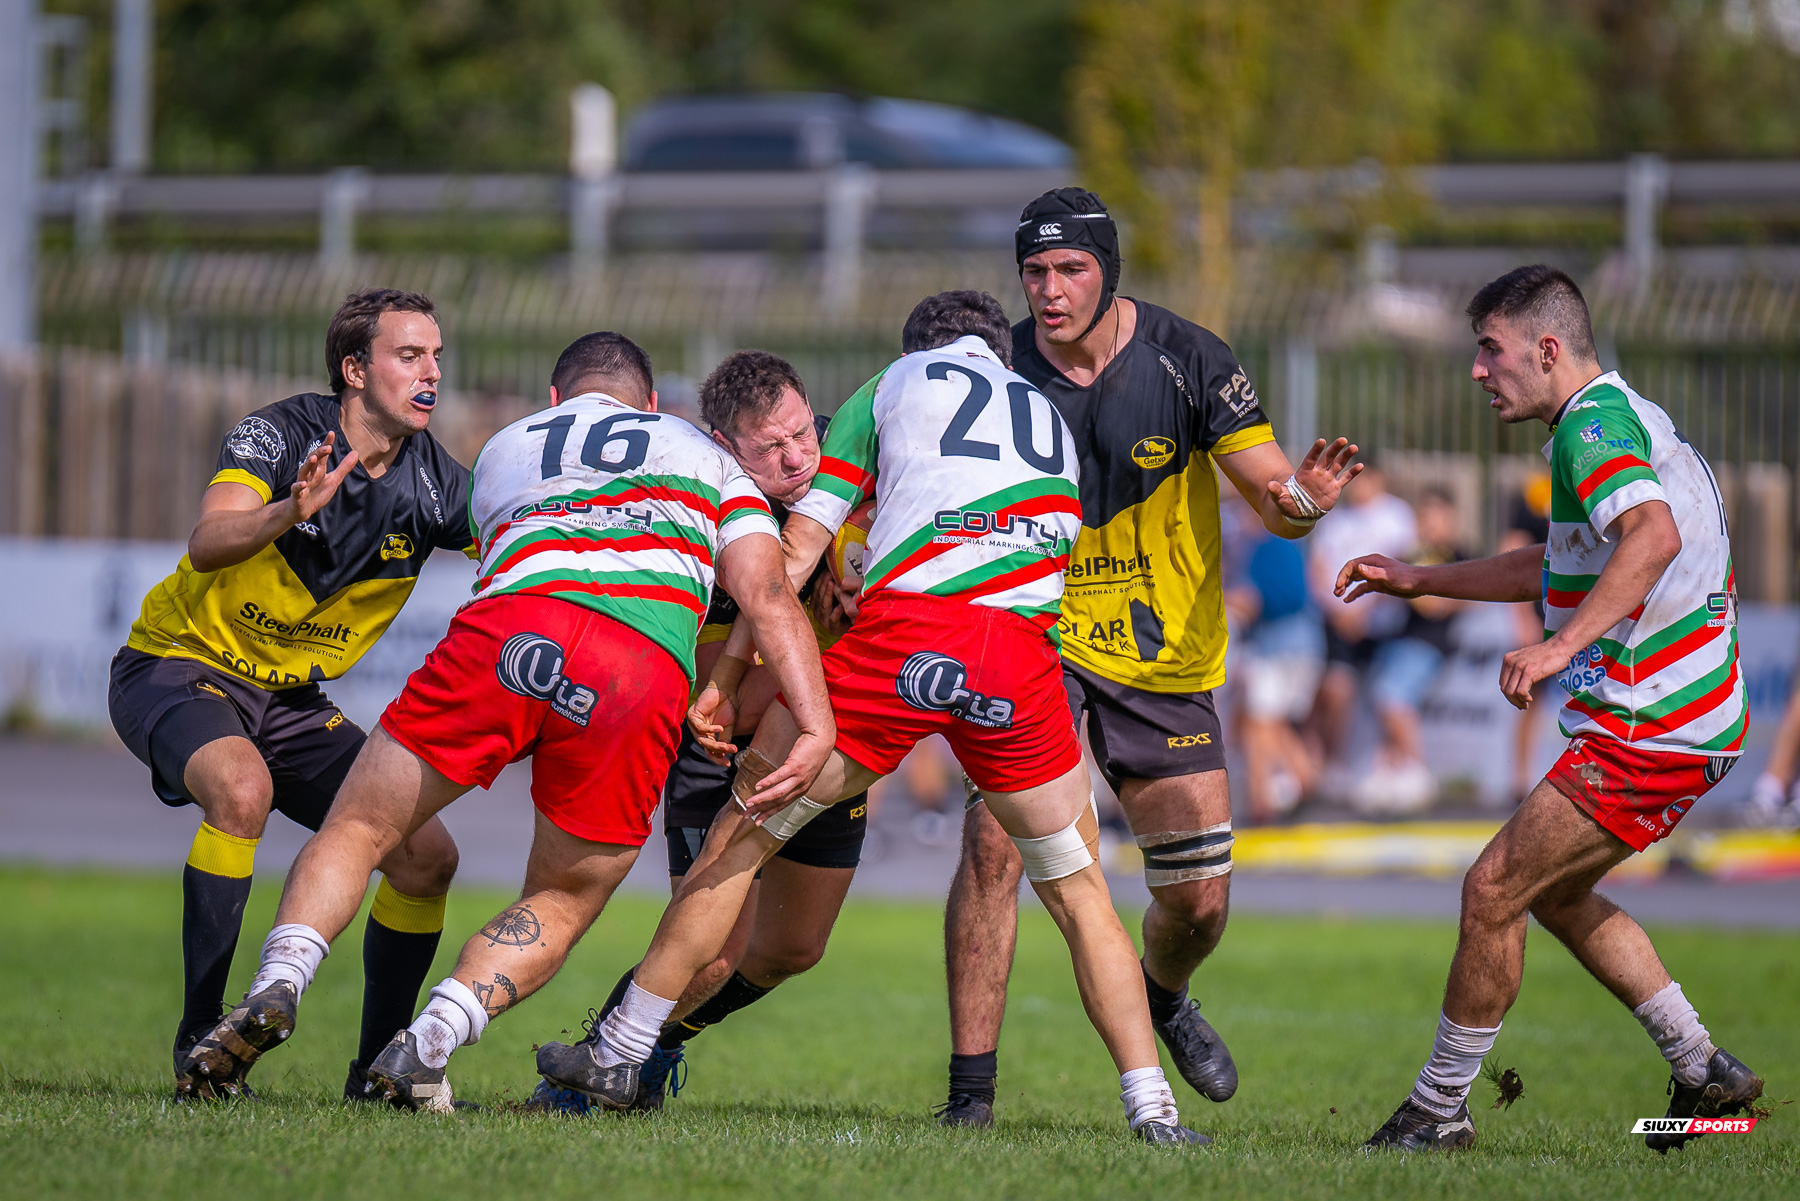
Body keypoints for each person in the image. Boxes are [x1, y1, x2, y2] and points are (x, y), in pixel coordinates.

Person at [536, 290, 1206, 1144]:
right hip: (1019, 654)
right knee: (1081, 892)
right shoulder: (1046, 414)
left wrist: (731, 671)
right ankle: (1154, 1109)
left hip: (905, 638)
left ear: (913, 349)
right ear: (1001, 351)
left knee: (738, 842)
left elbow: (793, 555)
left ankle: (621, 1049)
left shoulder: (890, 386)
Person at [181, 332, 831, 1112]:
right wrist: (816, 723)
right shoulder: (707, 456)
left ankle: (279, 979)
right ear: (656, 405)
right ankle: (433, 1037)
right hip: (636, 660)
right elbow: (766, 596)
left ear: (554, 401)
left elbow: (504, 550)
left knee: (357, 828)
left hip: (507, 630)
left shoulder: (505, 445)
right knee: (563, 891)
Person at [940, 187, 1365, 1126]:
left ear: (1109, 271)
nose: (1050, 291)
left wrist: (1309, 501)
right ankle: (970, 1096)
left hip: (1159, 647)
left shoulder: (1190, 357)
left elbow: (1274, 503)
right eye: (1035, 273)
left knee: (1200, 902)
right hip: (1033, 635)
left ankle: (1164, 994)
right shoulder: (995, 368)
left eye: (1071, 270)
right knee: (990, 848)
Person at [1339, 265, 1761, 1154]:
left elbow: (1654, 537)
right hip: (1686, 717)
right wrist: (1420, 577)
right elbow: (1558, 565)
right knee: (1554, 892)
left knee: (1491, 888)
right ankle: (1704, 1071)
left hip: (1654, 722)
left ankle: (1438, 1111)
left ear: (1546, 348)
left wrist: (1559, 647)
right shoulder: (1614, 417)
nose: (1478, 370)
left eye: (1490, 350)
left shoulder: (1590, 427)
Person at [106, 288, 472, 1102]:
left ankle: (380, 1070)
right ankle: (202, 1038)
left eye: (437, 356)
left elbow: (528, 547)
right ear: (354, 368)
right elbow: (207, 542)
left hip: (293, 701)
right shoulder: (280, 431)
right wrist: (288, 510)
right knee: (242, 788)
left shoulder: (440, 483)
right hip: (177, 662)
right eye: (410, 355)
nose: (432, 373)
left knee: (426, 855)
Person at [526, 348, 873, 1114]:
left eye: (800, 436)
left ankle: (649, 1046)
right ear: (723, 447)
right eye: (769, 449)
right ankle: (588, 1074)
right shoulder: (705, 509)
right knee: (714, 956)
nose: (794, 458)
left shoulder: (852, 471)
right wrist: (815, 623)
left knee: (793, 948)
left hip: (828, 734)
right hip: (723, 749)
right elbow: (728, 704)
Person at [1307, 463, 1418, 808]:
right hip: (1340, 622)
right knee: (1336, 690)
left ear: (1379, 479)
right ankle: (1333, 767)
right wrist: (1340, 612)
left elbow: (1404, 569)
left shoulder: (1398, 515)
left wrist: (1361, 611)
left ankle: (1400, 769)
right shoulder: (1336, 520)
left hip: (1386, 624)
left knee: (1388, 696)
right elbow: (1318, 568)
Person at [1357, 485, 1468, 814]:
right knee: (1385, 700)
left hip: (1428, 645)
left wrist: (1439, 600)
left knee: (1392, 697)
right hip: (1399, 642)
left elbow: (1457, 603)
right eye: (1424, 517)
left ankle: (1416, 773)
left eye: (1436, 517)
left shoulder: (1463, 558)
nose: (1429, 524)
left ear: (1450, 519)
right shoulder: (1409, 555)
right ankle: (1391, 770)